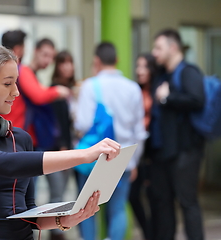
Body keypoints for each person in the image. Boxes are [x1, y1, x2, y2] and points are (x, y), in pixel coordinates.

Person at [0, 43, 121, 240]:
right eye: (7, 84)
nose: (16, 92)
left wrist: (66, 219)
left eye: (16, 83)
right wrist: (84, 154)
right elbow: (5, 164)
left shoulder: (20, 138)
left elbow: (29, 213)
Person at [74, 42, 146, 240]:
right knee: (119, 209)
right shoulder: (133, 89)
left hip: (94, 160)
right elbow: (139, 131)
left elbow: (83, 123)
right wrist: (134, 161)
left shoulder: (90, 85)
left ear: (96, 61)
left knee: (85, 210)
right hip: (123, 159)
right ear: (117, 60)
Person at [150, 29, 205, 240]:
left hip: (186, 150)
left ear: (173, 48)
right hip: (166, 152)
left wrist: (167, 98)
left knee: (187, 202)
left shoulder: (189, 72)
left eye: (159, 48)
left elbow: (197, 99)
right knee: (165, 204)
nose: (155, 53)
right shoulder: (164, 75)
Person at [1, 36, 70, 148]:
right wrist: (58, 91)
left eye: (52, 57)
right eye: (45, 55)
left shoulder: (24, 72)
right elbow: (38, 96)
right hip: (17, 133)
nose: (48, 61)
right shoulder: (23, 70)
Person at [44, 50, 77, 240]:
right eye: (63, 63)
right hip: (57, 149)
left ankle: (57, 232)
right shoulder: (55, 90)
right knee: (57, 195)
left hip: (68, 147)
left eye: (70, 62)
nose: (67, 67)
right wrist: (64, 147)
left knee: (62, 194)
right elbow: (58, 123)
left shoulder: (71, 89)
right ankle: (56, 235)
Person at [128, 53, 158, 240]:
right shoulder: (135, 91)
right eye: (138, 66)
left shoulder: (158, 91)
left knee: (156, 199)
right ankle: (148, 234)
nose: (140, 71)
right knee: (133, 196)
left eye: (144, 67)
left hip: (155, 154)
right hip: (139, 153)